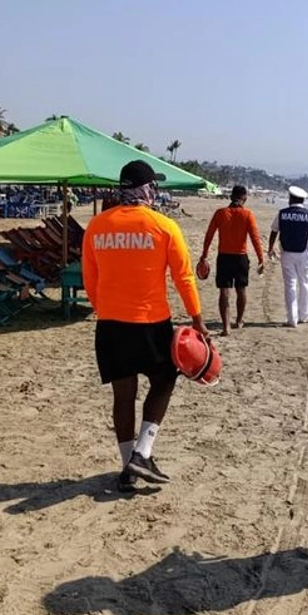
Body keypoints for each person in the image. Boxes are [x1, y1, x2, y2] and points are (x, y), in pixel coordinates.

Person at [82, 160, 208, 489]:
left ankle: (128, 468)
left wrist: (103, 309)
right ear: (148, 188)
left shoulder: (97, 226)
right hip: (150, 323)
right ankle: (142, 452)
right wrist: (197, 319)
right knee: (164, 381)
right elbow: (183, 277)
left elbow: (90, 278)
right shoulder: (163, 226)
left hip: (110, 325)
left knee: (123, 395)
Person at [198, 185, 265, 336]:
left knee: (224, 291)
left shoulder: (220, 213)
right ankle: (239, 321)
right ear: (245, 199)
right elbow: (255, 238)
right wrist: (261, 258)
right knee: (241, 290)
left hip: (224, 257)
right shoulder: (248, 214)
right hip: (241, 257)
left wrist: (204, 254)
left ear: (230, 197)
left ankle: (226, 327)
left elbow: (209, 235)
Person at [267, 186, 308, 327]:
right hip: (304, 254)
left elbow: (274, 232)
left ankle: (292, 319)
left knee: (290, 285)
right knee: (304, 283)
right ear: (303, 200)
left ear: (291, 198)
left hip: (287, 253)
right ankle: (304, 315)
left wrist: (270, 248)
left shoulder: (282, 214)